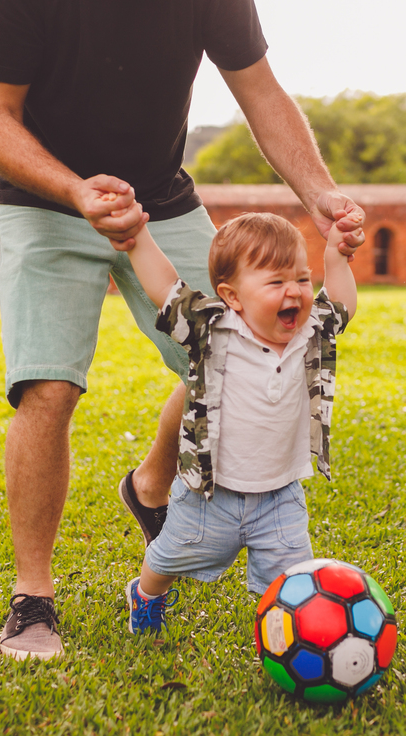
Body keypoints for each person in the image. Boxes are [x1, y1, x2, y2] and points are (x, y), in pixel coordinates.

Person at [0, 0, 365, 660]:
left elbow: (259, 89)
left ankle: (150, 485)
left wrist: (321, 197)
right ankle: (33, 597)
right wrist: (76, 189)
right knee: (47, 388)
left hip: (163, 195)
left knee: (226, 354)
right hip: (44, 196)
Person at [118, 210, 358, 633]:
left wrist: (336, 256)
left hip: (280, 495)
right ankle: (146, 594)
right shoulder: (211, 328)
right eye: (276, 282)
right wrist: (137, 237)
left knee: (295, 583)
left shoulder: (310, 331)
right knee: (168, 557)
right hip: (209, 495)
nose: (296, 292)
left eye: (302, 280)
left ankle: (294, 639)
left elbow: (342, 304)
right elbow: (165, 290)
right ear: (232, 296)